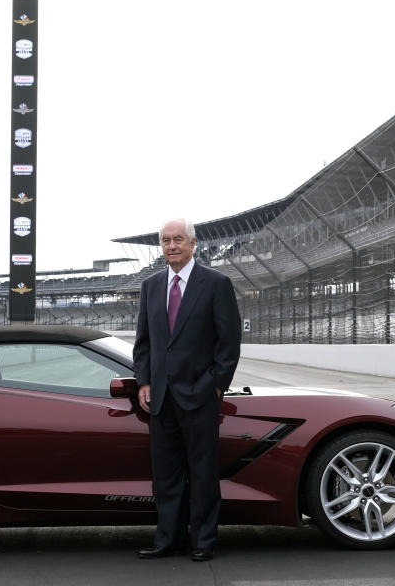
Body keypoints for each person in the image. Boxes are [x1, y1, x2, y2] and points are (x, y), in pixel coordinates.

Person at [133, 218, 241, 562]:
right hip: (161, 398)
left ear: (193, 244)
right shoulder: (150, 286)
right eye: (165, 240)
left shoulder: (216, 284)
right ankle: (168, 540)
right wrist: (145, 381)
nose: (171, 246)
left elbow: (229, 345)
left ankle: (203, 541)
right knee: (165, 476)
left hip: (200, 396)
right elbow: (144, 344)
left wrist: (214, 386)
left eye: (178, 239)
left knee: (203, 474)